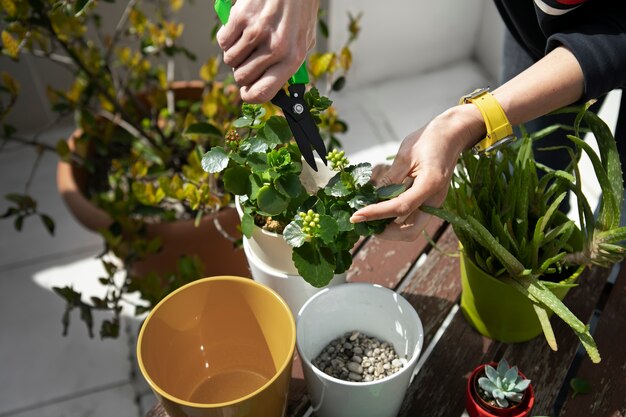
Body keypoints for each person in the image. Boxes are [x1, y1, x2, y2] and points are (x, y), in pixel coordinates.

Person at [216, 0, 626, 239]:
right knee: (529, 185)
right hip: (531, 23)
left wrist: (465, 121)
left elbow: (614, 42)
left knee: (620, 228)